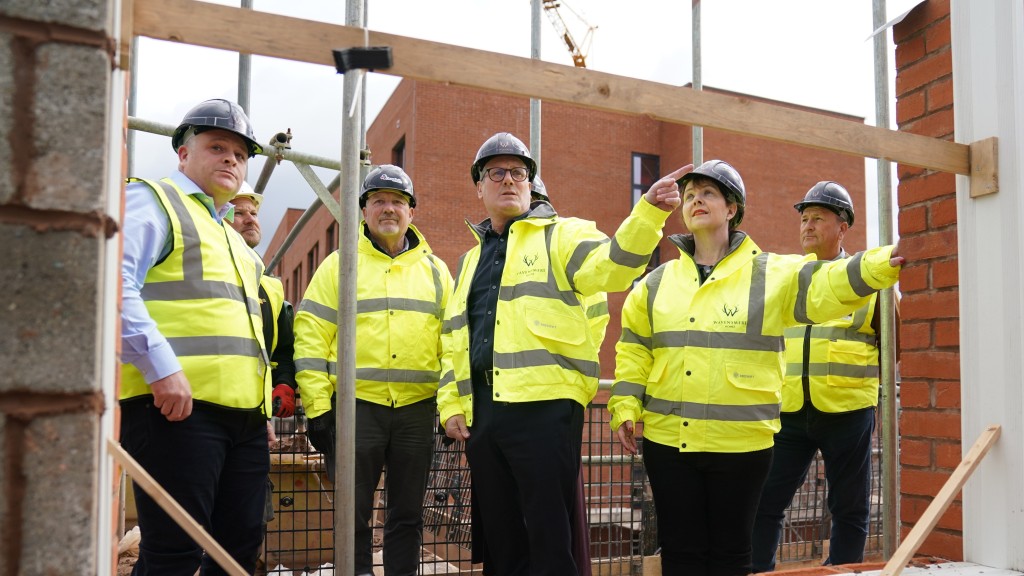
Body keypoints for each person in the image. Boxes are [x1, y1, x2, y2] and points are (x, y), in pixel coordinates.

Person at [607, 161, 904, 576]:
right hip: (669, 443)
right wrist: (624, 405)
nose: (696, 200)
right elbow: (634, 350)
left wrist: (883, 263)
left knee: (733, 555)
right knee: (680, 552)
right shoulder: (655, 284)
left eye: (708, 193)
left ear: (732, 209)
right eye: (690, 195)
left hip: (743, 446)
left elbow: (828, 284)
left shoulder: (769, 273)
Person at [438, 132, 686, 576]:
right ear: (479, 186)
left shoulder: (562, 236)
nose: (509, 180)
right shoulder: (469, 261)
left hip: (545, 410)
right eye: (497, 172)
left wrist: (648, 212)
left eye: (519, 172)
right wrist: (452, 405)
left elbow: (616, 265)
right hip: (484, 415)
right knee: (501, 537)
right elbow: (455, 340)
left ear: (531, 185)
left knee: (550, 537)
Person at [120, 98, 272, 575]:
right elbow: (112, 282)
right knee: (175, 554)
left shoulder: (232, 238)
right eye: (217, 146)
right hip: (175, 409)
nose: (232, 159)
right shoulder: (155, 200)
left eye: (241, 154)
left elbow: (246, 334)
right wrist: (160, 367)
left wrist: (261, 407)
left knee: (238, 551)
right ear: (183, 154)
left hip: (244, 421)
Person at [293, 164, 453, 576]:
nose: (388, 208)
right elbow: (311, 335)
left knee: (407, 516)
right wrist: (318, 408)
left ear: (411, 212)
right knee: (353, 516)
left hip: (417, 412)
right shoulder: (338, 265)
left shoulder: (436, 273)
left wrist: (451, 405)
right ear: (363, 210)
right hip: (355, 409)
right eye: (378, 200)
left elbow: (454, 345)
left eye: (398, 201)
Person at [751, 181, 896, 571]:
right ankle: (757, 571)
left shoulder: (869, 282)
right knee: (764, 500)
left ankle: (842, 571)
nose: (808, 226)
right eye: (804, 219)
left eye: (818, 218)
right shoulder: (785, 278)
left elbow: (893, 346)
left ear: (843, 226)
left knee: (849, 506)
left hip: (848, 410)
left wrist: (874, 402)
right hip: (790, 411)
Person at [229, 181, 298, 420]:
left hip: (255, 412)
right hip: (205, 405)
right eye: (238, 213)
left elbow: (284, 350)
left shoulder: (271, 288)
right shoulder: (207, 273)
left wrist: (284, 382)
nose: (250, 219)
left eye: (254, 213)